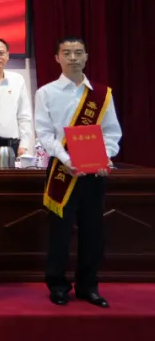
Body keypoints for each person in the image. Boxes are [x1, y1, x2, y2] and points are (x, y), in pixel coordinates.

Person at [35, 36, 121, 308]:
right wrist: (66, 158)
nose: (73, 58)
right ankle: (57, 285)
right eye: (67, 53)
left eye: (78, 52)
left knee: (93, 233)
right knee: (60, 233)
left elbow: (112, 132)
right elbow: (45, 133)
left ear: (86, 57)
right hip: (62, 172)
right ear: (57, 58)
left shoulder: (102, 94)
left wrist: (105, 157)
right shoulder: (46, 93)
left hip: (94, 173)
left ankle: (88, 286)